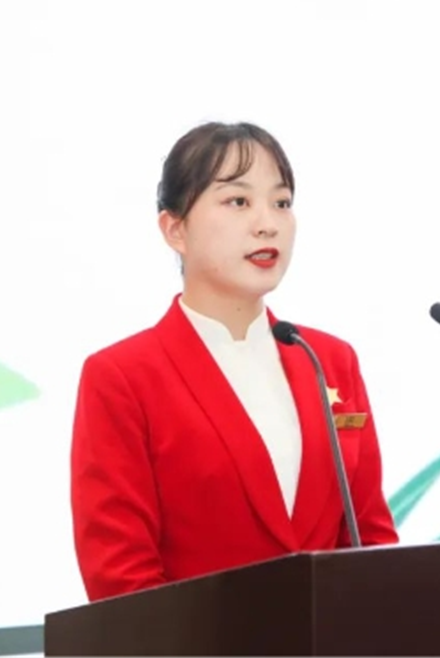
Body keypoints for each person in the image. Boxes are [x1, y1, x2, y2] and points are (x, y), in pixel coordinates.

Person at [69, 121, 399, 602]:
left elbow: (371, 544)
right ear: (175, 229)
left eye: (281, 202)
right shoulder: (122, 377)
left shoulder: (329, 360)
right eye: (238, 201)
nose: (267, 223)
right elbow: (120, 580)